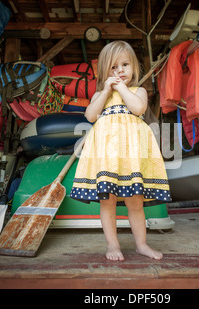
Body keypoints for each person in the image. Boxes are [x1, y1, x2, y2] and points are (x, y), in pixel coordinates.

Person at [70, 41, 171, 261]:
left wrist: (123, 88)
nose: (120, 71)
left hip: (131, 156)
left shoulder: (138, 91)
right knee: (108, 202)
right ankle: (112, 245)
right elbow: (90, 116)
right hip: (107, 156)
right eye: (114, 67)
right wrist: (106, 90)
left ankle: (141, 245)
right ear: (105, 72)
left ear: (133, 66)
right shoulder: (100, 95)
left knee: (136, 202)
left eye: (125, 65)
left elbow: (138, 108)